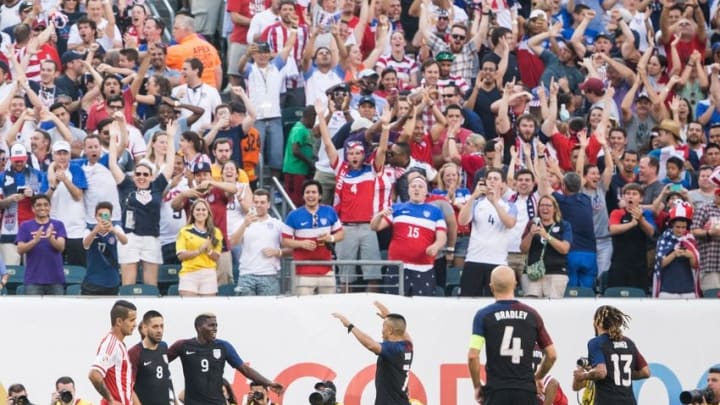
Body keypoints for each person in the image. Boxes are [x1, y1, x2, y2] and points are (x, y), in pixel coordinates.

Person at [468, 266, 557, 405]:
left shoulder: (483, 316)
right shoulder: (532, 315)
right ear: (515, 284)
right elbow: (551, 355)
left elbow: (473, 356)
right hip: (526, 391)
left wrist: (477, 386)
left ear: (491, 286)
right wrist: (537, 377)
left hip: (496, 391)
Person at [167, 313, 283, 405]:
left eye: (216, 325)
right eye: (211, 325)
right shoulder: (182, 346)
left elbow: (245, 370)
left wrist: (270, 383)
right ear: (198, 327)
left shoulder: (223, 346)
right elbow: (159, 363)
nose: (215, 328)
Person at [370, 175, 447, 296]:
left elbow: (442, 236)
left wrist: (436, 246)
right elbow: (375, 227)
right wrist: (379, 215)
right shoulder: (397, 208)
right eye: (414, 186)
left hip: (423, 267)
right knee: (394, 305)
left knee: (421, 306)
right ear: (408, 190)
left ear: (426, 191)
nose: (417, 189)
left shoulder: (435, 211)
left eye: (420, 187)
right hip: (398, 266)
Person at [332, 301, 413, 405]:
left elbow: (371, 345)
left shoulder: (393, 349)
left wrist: (350, 325)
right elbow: (402, 332)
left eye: (384, 327)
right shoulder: (408, 345)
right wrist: (388, 316)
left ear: (390, 331)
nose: (382, 330)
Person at [572, 305, 651, 405]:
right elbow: (645, 372)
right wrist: (617, 372)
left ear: (598, 323)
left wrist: (584, 376)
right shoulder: (629, 343)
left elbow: (601, 372)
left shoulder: (596, 343)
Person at [281, 180, 344, 295]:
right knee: (303, 308)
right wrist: (301, 244)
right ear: (303, 196)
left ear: (319, 195)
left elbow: (341, 234)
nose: (310, 195)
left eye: (314, 192)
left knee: (329, 308)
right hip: (303, 271)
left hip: (326, 269)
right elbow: (284, 240)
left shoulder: (329, 211)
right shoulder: (293, 215)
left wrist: (330, 238)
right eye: (307, 192)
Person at [231, 189, 284, 296]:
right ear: (252, 203)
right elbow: (233, 242)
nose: (259, 205)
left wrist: (277, 252)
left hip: (269, 275)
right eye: (256, 202)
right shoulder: (242, 222)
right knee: (245, 311)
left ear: (269, 204)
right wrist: (245, 224)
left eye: (262, 202)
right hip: (246, 275)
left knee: (269, 311)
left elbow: (290, 247)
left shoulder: (278, 224)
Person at [519, 196, 573, 298]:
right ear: (538, 208)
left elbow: (565, 249)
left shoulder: (564, 225)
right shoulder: (531, 224)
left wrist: (546, 236)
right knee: (532, 306)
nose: (545, 208)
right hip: (532, 274)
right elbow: (523, 249)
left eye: (548, 205)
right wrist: (530, 234)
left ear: (555, 208)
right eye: (542, 205)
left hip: (556, 273)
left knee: (553, 308)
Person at [89, 300, 138, 405]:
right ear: (119, 321)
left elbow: (127, 386)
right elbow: (94, 374)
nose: (135, 324)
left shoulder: (120, 345)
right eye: (132, 320)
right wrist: (110, 400)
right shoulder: (111, 344)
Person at [16, 194, 67, 295]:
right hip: (33, 280)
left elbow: (61, 247)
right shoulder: (25, 226)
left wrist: (50, 238)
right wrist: (35, 241)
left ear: (50, 207)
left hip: (55, 279)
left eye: (45, 205)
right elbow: (20, 249)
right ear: (33, 209)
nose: (42, 207)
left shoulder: (58, 224)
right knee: (34, 311)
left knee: (56, 310)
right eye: (38, 205)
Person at [176, 199, 224, 297]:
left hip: (208, 274)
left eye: (203, 210)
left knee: (207, 310)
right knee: (189, 308)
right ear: (193, 212)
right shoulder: (184, 231)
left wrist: (209, 250)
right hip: (189, 273)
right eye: (198, 210)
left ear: (208, 212)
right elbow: (181, 255)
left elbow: (217, 257)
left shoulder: (216, 232)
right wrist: (199, 251)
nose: (200, 212)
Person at [653, 201, 700, 298]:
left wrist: (690, 256)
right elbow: (660, 263)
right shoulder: (664, 240)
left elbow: (695, 265)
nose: (680, 230)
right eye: (677, 227)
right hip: (668, 288)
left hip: (688, 288)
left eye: (683, 227)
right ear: (671, 226)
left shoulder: (690, 240)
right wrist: (674, 254)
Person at [128, 310, 176, 405]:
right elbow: (128, 387)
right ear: (145, 328)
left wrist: (175, 402)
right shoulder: (134, 352)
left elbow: (167, 377)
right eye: (155, 327)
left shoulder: (163, 346)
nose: (159, 330)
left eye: (161, 326)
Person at [82, 202, 128, 295]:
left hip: (112, 281)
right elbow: (85, 245)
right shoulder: (89, 230)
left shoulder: (116, 228)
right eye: (100, 215)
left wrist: (113, 230)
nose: (102, 218)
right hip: (93, 281)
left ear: (110, 217)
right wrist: (95, 231)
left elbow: (125, 241)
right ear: (95, 216)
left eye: (106, 215)